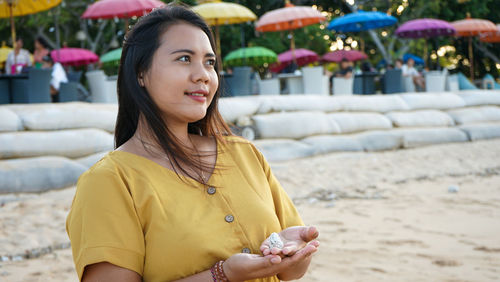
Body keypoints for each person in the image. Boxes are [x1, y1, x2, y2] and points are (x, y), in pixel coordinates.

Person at [66, 4, 319, 282]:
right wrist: (222, 275)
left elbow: (292, 272)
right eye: (184, 59)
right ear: (140, 72)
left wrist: (290, 253)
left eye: (209, 62)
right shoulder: (110, 180)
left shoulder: (244, 154)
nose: (203, 75)